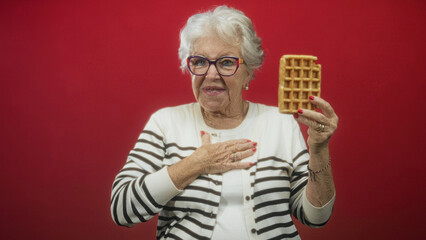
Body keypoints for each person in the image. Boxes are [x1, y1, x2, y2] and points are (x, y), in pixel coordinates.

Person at [111, 5, 338, 240]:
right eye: (199, 61)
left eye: (226, 62)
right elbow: (122, 210)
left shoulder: (280, 123)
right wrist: (196, 164)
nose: (211, 74)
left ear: (249, 72)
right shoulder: (165, 123)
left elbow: (315, 217)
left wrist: (319, 150)